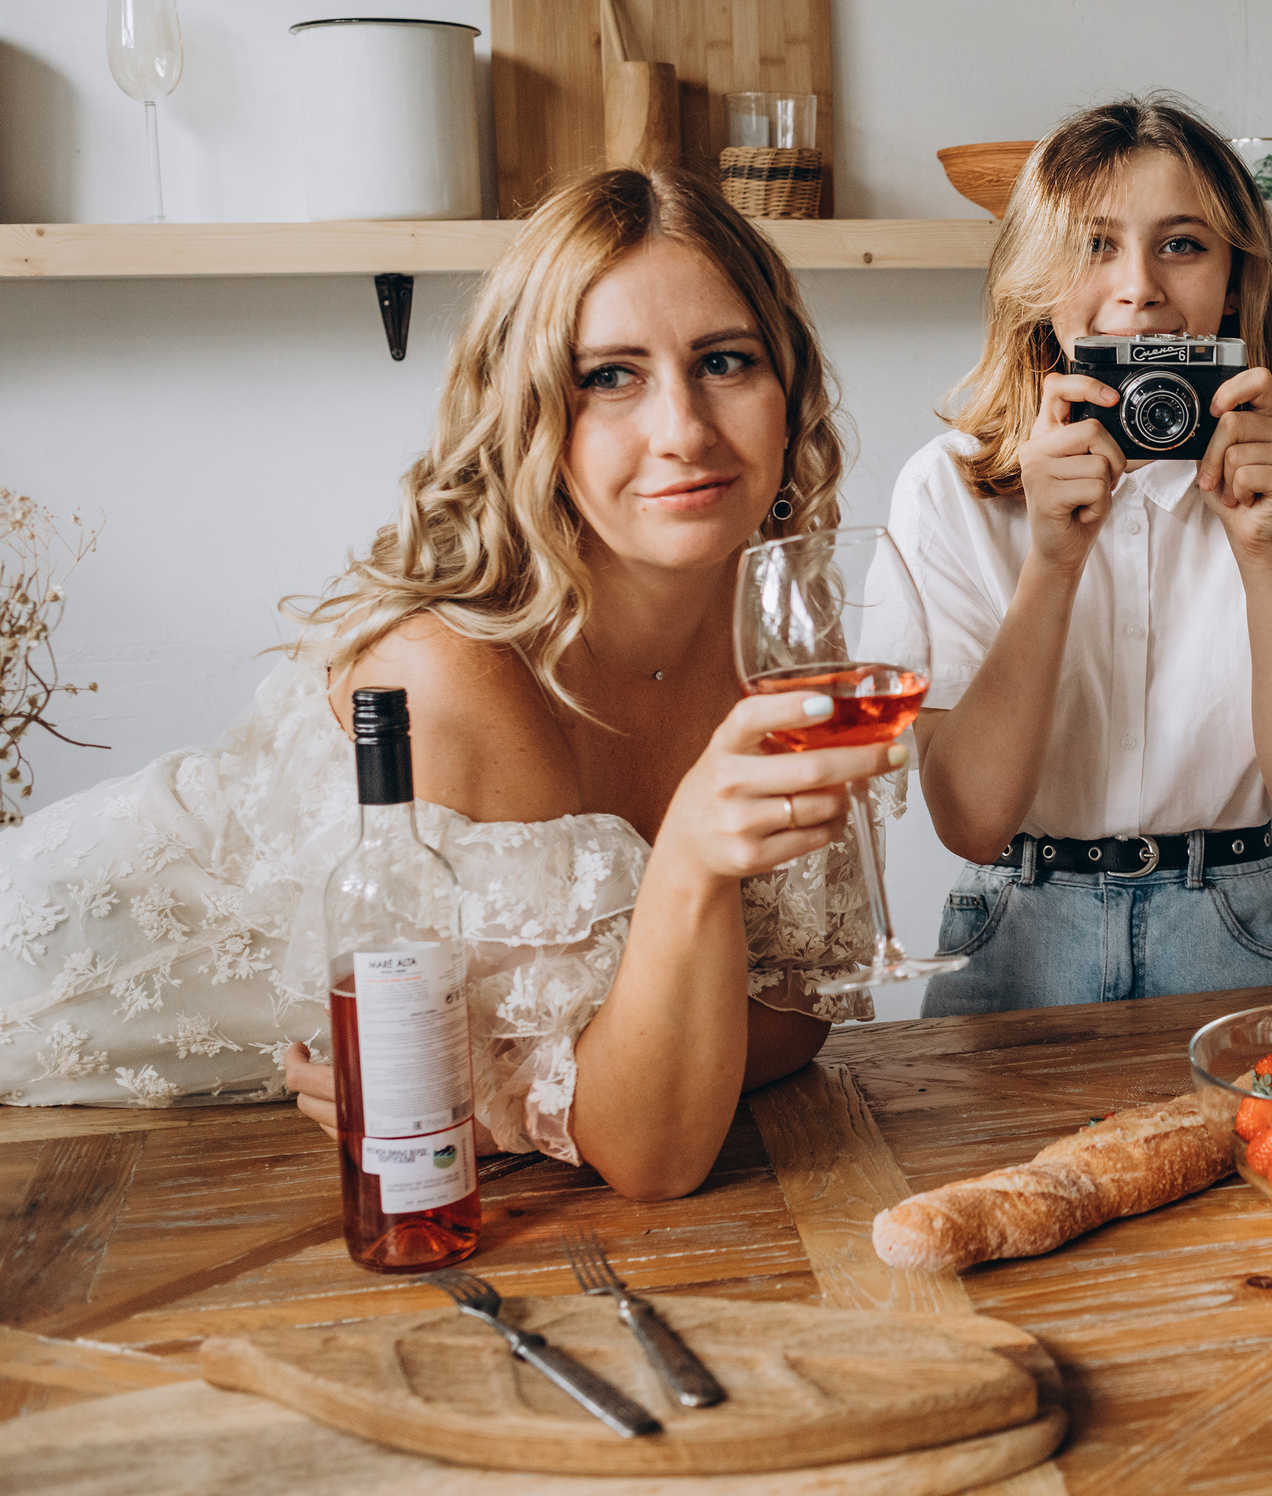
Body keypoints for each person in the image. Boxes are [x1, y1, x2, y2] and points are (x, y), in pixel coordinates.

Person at [0, 167, 901, 1201]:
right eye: (609, 375)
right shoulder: (456, 675)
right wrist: (579, 1070)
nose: (683, 430)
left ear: (789, 388)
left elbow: (795, 1010)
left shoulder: (780, 622)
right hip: (40, 998)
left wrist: (527, 1097)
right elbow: (654, 1153)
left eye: (724, 361)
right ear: (529, 418)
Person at [891, 97, 1272, 1014]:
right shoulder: (950, 487)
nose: (1139, 286)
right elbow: (970, 821)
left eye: (1182, 243)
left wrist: (1265, 553)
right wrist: (1051, 563)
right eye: (1095, 245)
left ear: (1235, 277)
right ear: (1036, 278)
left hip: (1235, 920)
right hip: (1017, 921)